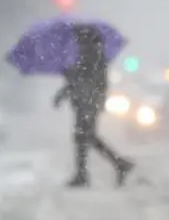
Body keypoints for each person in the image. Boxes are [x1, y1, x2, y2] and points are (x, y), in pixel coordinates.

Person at [53, 24, 134, 187]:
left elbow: (83, 80)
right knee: (85, 136)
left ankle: (106, 167)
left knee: (84, 136)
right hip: (86, 102)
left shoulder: (92, 56)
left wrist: (69, 78)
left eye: (78, 38)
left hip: (87, 102)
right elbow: (83, 80)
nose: (75, 42)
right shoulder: (93, 55)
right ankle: (112, 165)